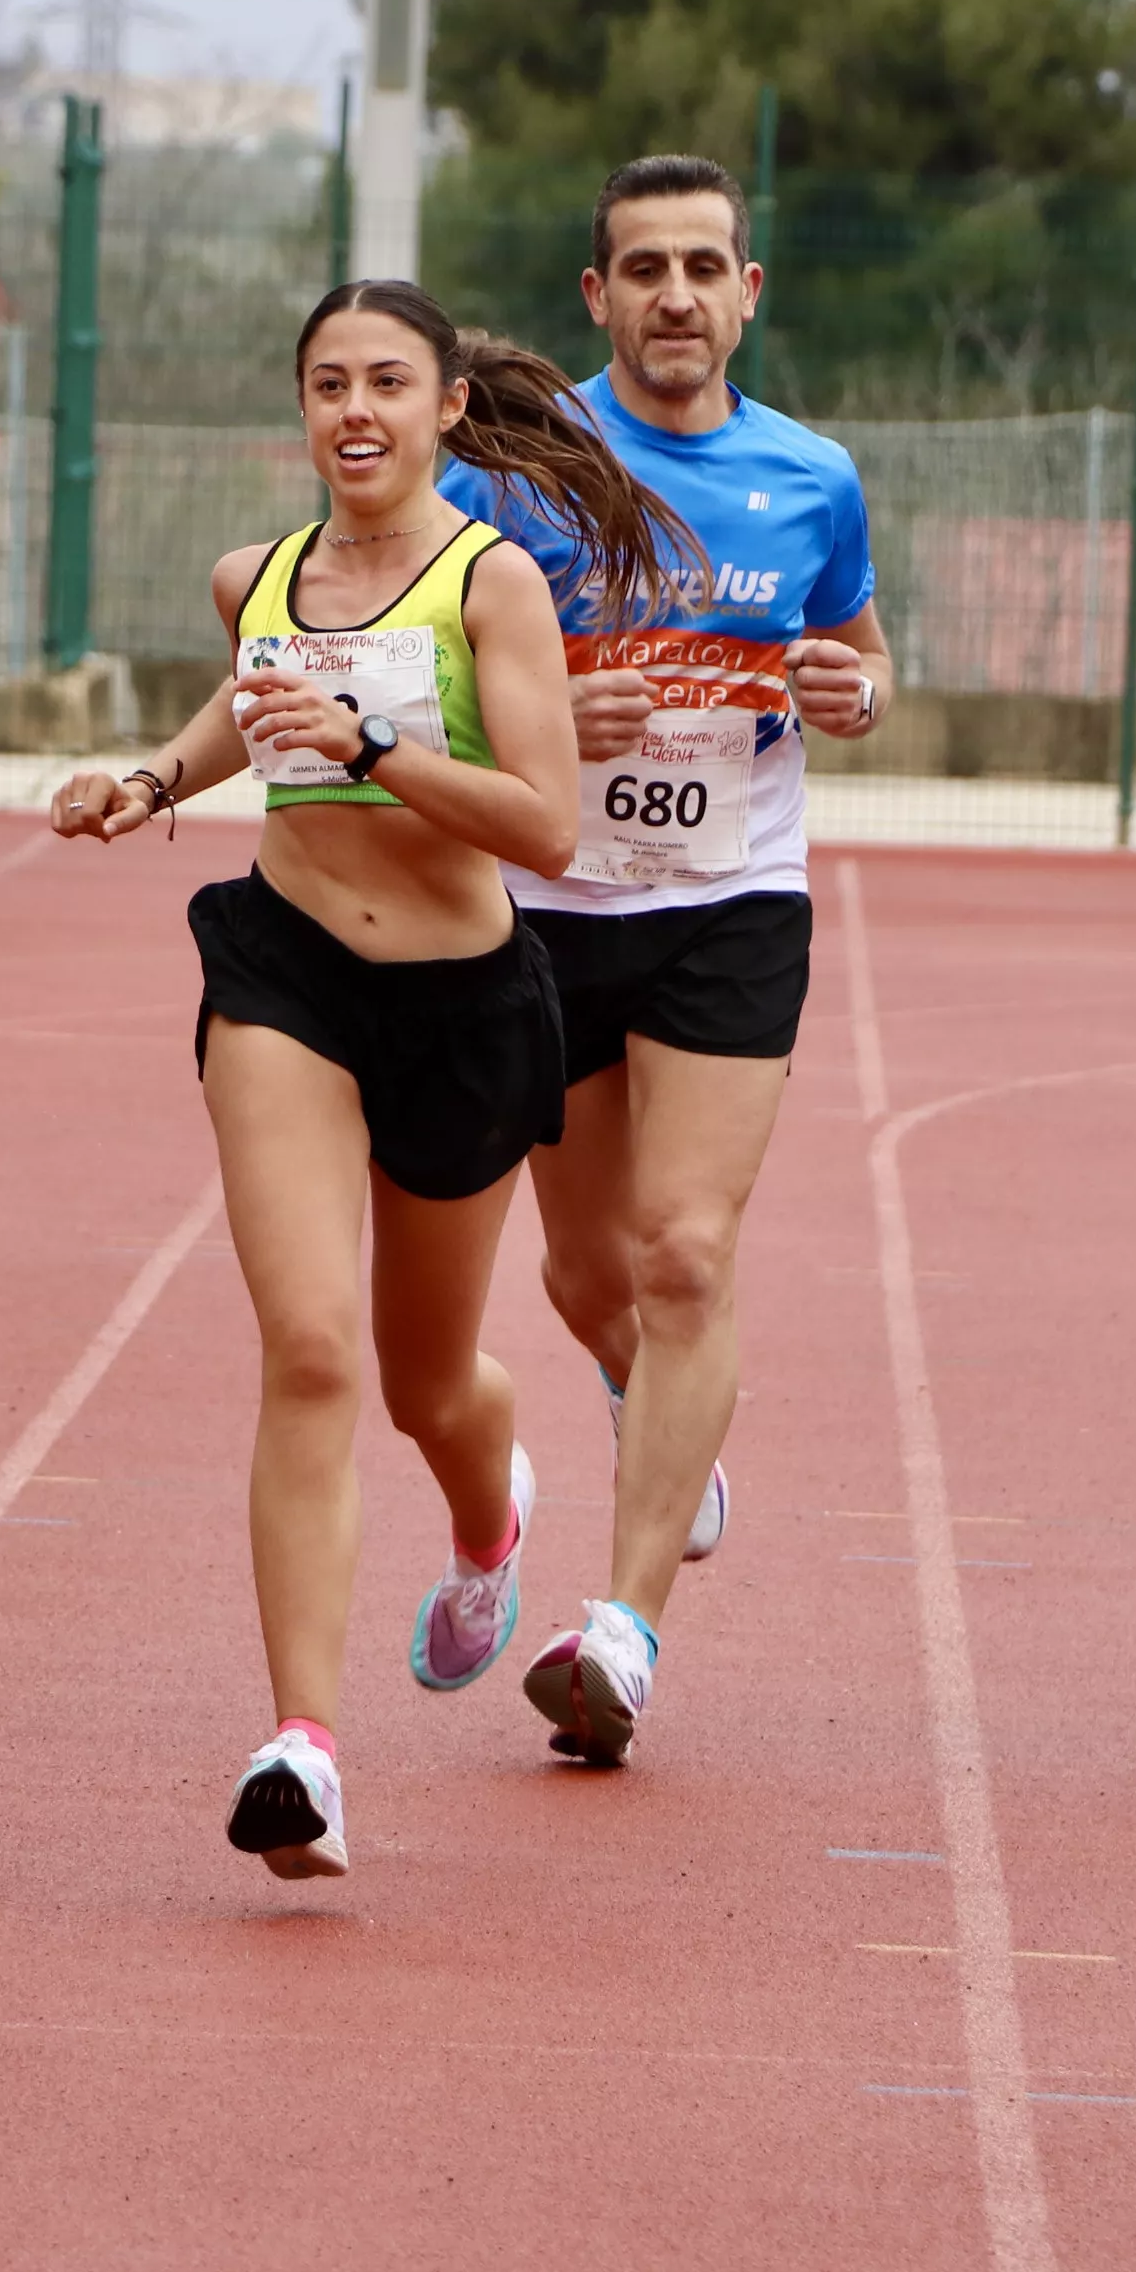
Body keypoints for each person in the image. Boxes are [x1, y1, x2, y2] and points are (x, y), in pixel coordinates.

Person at [50, 280, 697, 1876]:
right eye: (328, 383)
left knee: (427, 1382)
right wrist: (151, 778)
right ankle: (305, 1748)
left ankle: (491, 1515)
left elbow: (546, 824)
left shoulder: (493, 591)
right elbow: (244, 703)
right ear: (301, 408)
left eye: (387, 383)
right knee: (314, 1351)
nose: (356, 410)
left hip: (466, 1004)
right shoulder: (254, 576)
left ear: (446, 409)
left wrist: (371, 747)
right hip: (286, 977)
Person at [434, 155, 892, 1768]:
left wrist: (857, 693)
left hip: (731, 903)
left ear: (750, 292)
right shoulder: (512, 469)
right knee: (582, 1277)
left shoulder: (812, 477)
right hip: (552, 905)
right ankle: (657, 1420)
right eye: (646, 269)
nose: (677, 297)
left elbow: (862, 651)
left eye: (707, 267)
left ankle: (620, 1633)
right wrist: (552, 700)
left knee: (685, 1251)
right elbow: (437, 669)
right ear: (598, 297)